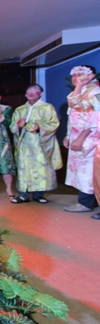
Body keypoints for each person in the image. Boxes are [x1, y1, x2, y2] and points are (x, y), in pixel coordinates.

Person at [9, 85, 62, 204]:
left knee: (41, 168)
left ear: (41, 93)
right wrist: (19, 126)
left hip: (40, 144)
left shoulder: (47, 108)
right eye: (28, 91)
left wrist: (39, 127)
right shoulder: (20, 109)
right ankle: (23, 195)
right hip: (24, 144)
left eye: (35, 91)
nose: (31, 93)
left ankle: (39, 195)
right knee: (24, 168)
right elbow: (12, 126)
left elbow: (54, 124)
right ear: (25, 94)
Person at [63, 65, 100, 213]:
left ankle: (85, 202)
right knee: (80, 170)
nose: (75, 78)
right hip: (77, 135)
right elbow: (72, 115)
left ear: (91, 76)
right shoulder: (80, 91)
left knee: (88, 170)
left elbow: (95, 119)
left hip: (89, 137)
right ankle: (88, 200)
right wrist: (68, 135)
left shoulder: (96, 92)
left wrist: (81, 137)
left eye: (79, 75)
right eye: (74, 75)